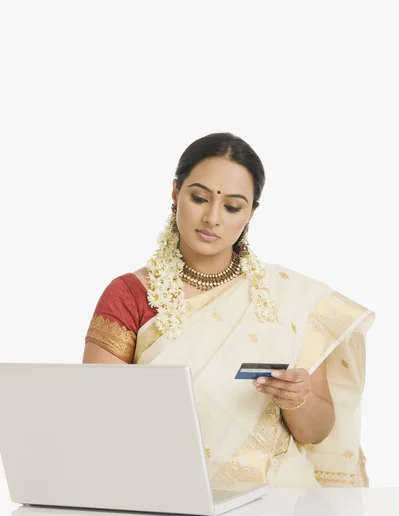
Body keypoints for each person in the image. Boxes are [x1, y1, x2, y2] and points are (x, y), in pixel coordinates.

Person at [82, 132, 375, 489]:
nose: (212, 218)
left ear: (250, 214)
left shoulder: (291, 297)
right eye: (199, 198)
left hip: (278, 513)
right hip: (165, 498)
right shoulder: (129, 295)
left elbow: (315, 432)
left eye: (233, 207)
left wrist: (298, 400)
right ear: (176, 193)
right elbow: (98, 416)